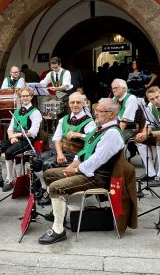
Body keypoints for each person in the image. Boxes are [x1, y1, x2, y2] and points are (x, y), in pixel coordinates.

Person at [38, 98, 124, 244]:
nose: (95, 113)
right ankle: (59, 211)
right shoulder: (100, 128)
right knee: (48, 174)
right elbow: (85, 150)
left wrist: (76, 169)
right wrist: (75, 163)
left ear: (111, 114)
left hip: (96, 177)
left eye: (99, 111)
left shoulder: (112, 133)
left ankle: (58, 229)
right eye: (96, 110)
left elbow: (97, 160)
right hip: (86, 170)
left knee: (54, 187)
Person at [34, 92, 96, 205]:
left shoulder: (89, 122)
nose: (75, 105)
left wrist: (79, 135)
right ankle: (44, 187)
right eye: (72, 102)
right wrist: (59, 153)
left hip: (76, 155)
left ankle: (51, 193)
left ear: (83, 104)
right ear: (69, 104)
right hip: (62, 152)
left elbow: (93, 140)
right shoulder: (64, 119)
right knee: (36, 160)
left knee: (48, 164)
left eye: (78, 102)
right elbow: (57, 139)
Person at [0, 86, 43, 192]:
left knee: (9, 152)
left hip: (28, 141)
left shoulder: (35, 112)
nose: (24, 98)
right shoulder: (17, 111)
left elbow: (32, 132)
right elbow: (10, 128)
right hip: (15, 138)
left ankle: (9, 179)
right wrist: (11, 137)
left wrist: (16, 136)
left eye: (27, 96)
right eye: (22, 96)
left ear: (31, 97)